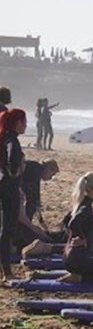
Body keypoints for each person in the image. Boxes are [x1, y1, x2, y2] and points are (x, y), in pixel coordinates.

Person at [60, 172, 93, 284]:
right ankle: (78, 278)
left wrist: (75, 237)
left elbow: (66, 221)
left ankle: (76, 274)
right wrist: (82, 238)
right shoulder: (85, 207)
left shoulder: (80, 204)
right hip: (78, 260)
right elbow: (73, 223)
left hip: (69, 257)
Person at [0, 108, 27, 283]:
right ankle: (7, 273)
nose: (26, 125)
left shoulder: (3, 136)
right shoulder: (12, 140)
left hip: (5, 184)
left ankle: (6, 271)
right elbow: (12, 159)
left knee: (5, 230)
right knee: (7, 231)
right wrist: (16, 171)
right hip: (8, 187)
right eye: (25, 122)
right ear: (18, 123)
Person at [12, 159, 60, 251]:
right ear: (48, 169)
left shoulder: (36, 170)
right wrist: (36, 228)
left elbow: (36, 198)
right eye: (52, 174)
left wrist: (42, 223)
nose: (51, 178)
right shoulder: (37, 169)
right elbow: (35, 195)